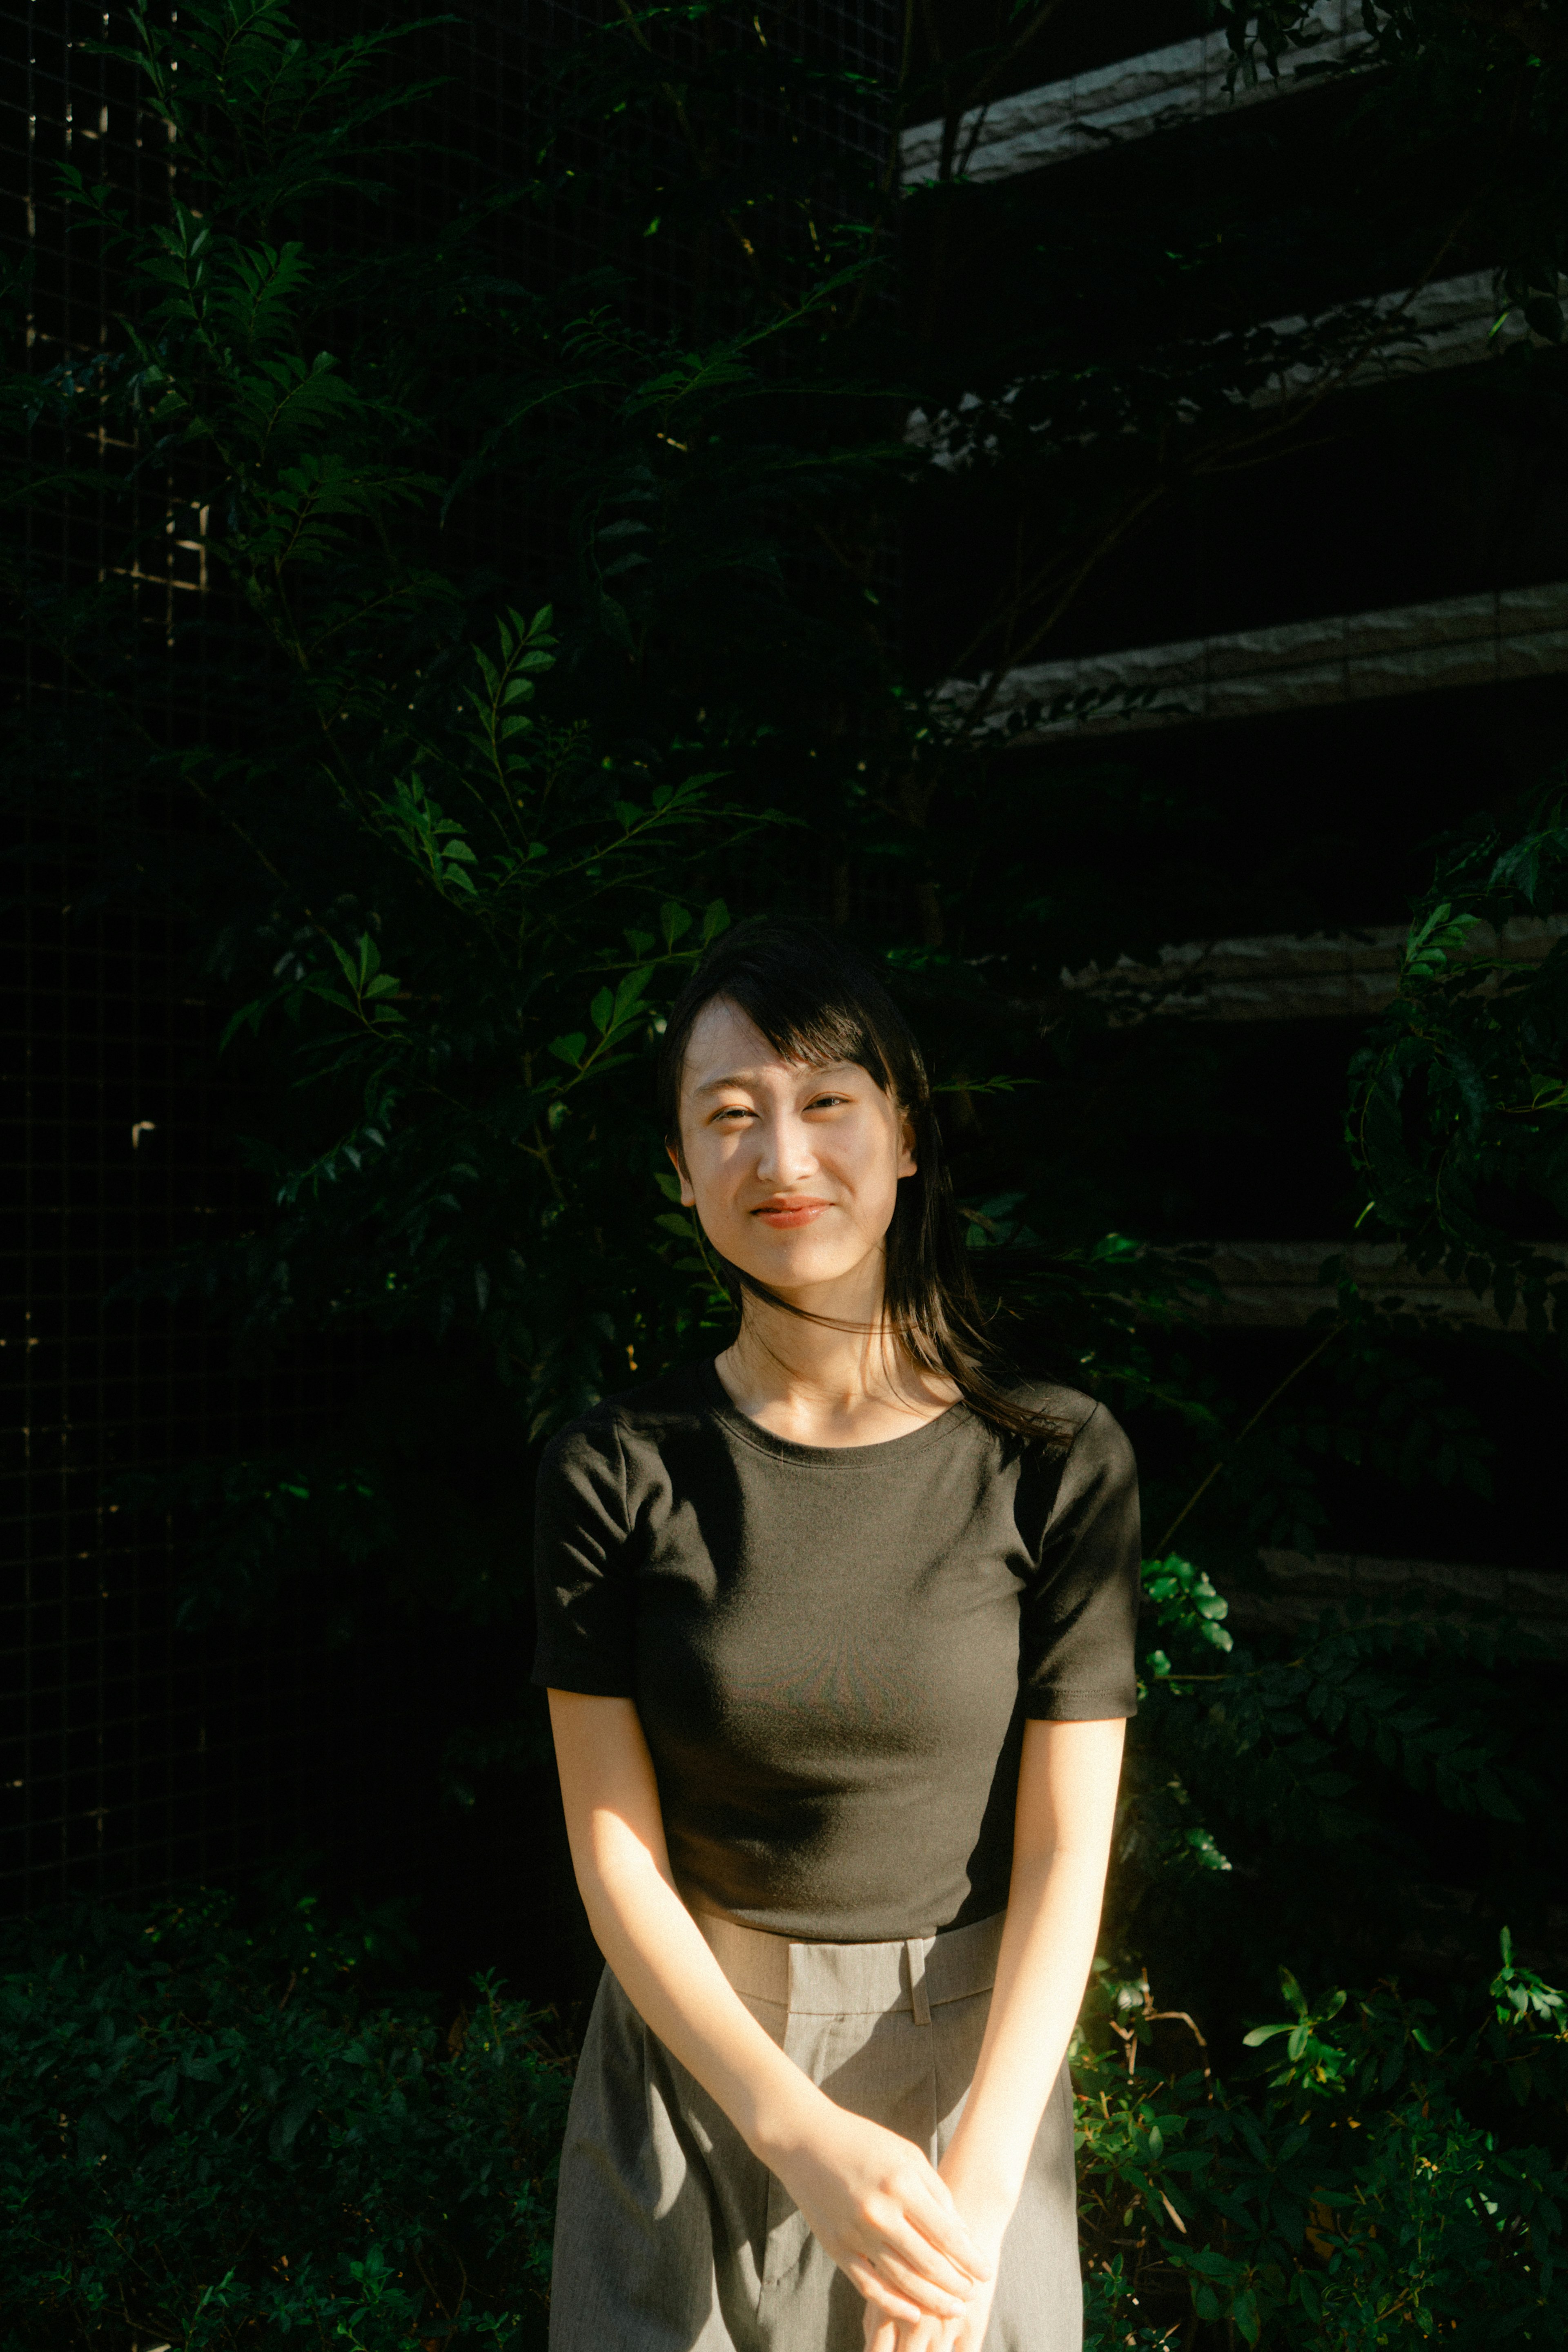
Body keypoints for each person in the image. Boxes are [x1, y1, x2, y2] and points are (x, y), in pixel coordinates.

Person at [532, 919, 1141, 2352]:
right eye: (729, 1117)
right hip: (693, 2073)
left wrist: (977, 2200)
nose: (783, 1157)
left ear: (906, 1137)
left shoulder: (1053, 1459)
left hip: (976, 2089)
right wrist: (795, 2133)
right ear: (679, 1171)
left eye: (826, 1103)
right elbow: (613, 1846)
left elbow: (1067, 1852)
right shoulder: (614, 1466)